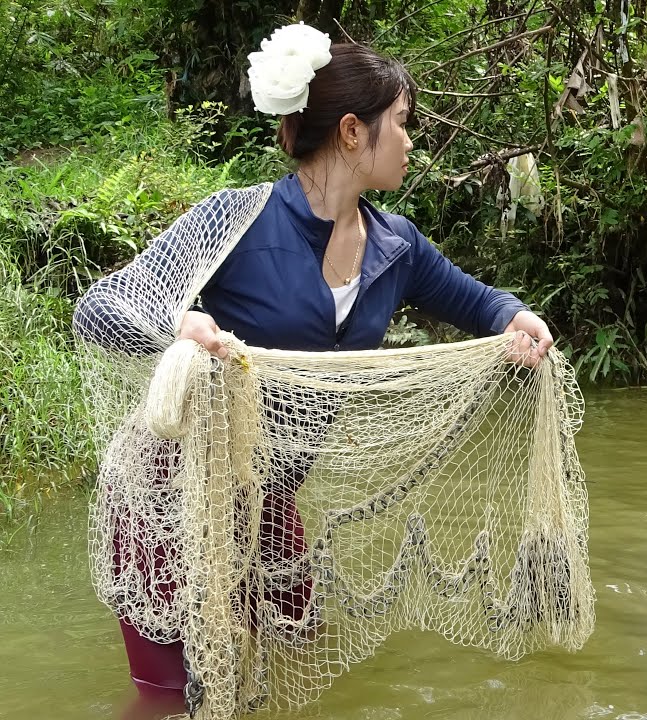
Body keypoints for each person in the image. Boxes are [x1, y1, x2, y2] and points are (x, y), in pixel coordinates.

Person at [73, 23, 553, 716]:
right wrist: (178, 327)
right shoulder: (236, 221)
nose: (410, 142)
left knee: (300, 656)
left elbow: (478, 301)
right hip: (171, 497)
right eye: (402, 123)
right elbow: (102, 307)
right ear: (353, 132)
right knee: (172, 700)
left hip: (269, 504)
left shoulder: (396, 245)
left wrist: (515, 317)